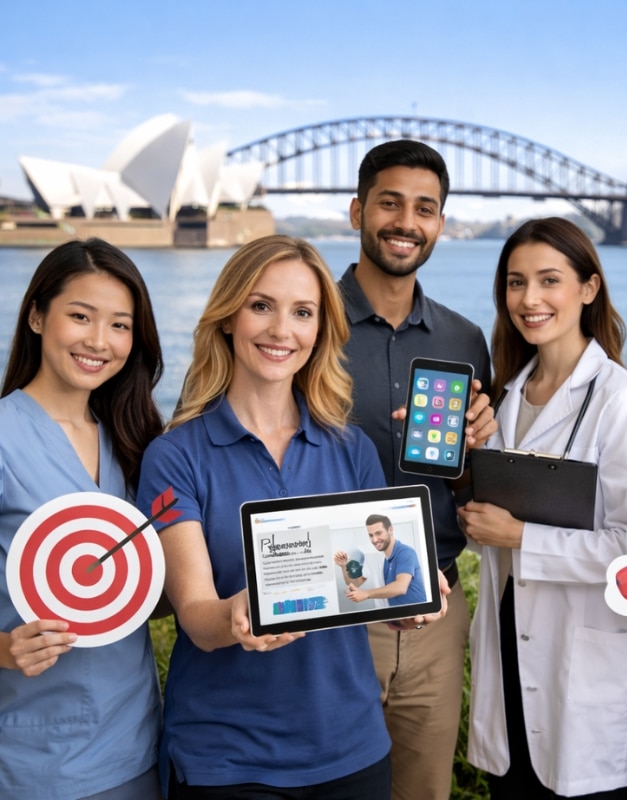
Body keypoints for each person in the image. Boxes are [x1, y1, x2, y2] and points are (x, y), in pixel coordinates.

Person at [137, 235, 443, 799]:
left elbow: (366, 589)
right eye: (261, 306)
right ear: (227, 317)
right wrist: (238, 615)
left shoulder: (351, 449)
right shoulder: (175, 456)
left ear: (320, 330)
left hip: (351, 749)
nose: (282, 330)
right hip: (227, 761)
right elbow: (198, 617)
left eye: (303, 312)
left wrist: (409, 606)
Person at [459, 217, 627, 799]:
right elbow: (485, 530)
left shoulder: (623, 400)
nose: (530, 299)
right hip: (508, 649)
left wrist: (522, 536)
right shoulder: (503, 396)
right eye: (516, 282)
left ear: (589, 288)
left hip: (586, 677)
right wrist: (460, 475)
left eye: (549, 280)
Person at [338, 138, 494, 800]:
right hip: (336, 611)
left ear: (440, 223)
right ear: (357, 212)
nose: (406, 222)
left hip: (437, 612)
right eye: (390, 203)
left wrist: (472, 453)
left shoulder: (465, 340)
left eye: (425, 209)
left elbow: (468, 489)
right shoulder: (305, 327)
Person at [0, 238, 164, 799]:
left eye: (120, 325)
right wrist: (3, 649)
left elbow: (148, 591)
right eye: (80, 316)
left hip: (139, 742)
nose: (99, 341)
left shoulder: (134, 438)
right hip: (38, 760)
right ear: (36, 316)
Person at [341, 514, 427, 606]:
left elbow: (400, 587)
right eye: (371, 535)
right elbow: (354, 583)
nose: (374, 540)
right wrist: (343, 566)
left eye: (378, 533)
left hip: (419, 612)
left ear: (390, 530)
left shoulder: (405, 552)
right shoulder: (384, 560)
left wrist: (366, 594)